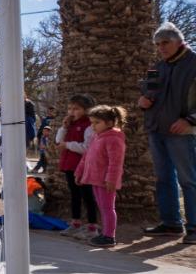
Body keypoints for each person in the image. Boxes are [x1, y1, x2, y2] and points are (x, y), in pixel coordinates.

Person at [139, 22, 196, 244]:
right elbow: (147, 91)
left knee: (189, 180)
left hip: (182, 131)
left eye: (165, 42)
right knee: (164, 179)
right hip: (156, 130)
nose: (161, 47)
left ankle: (194, 227)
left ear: (179, 41)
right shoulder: (157, 67)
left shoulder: (194, 63)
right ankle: (171, 224)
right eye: (158, 44)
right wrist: (142, 100)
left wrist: (189, 120)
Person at [76, 105, 128, 248]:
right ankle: (105, 233)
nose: (93, 126)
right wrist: (79, 172)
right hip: (95, 179)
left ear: (110, 123)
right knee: (102, 207)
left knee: (107, 208)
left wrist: (111, 179)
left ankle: (109, 236)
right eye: (92, 122)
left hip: (106, 182)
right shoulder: (96, 136)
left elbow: (115, 162)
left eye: (97, 123)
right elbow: (86, 156)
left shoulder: (114, 139)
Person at [56, 94, 98, 239]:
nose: (72, 112)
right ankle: (75, 223)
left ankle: (92, 226)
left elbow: (87, 147)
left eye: (76, 109)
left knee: (87, 195)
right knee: (74, 195)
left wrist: (67, 145)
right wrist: (63, 127)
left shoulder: (89, 126)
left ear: (86, 110)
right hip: (69, 164)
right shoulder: (70, 124)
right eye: (70, 108)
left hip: (83, 165)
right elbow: (58, 140)